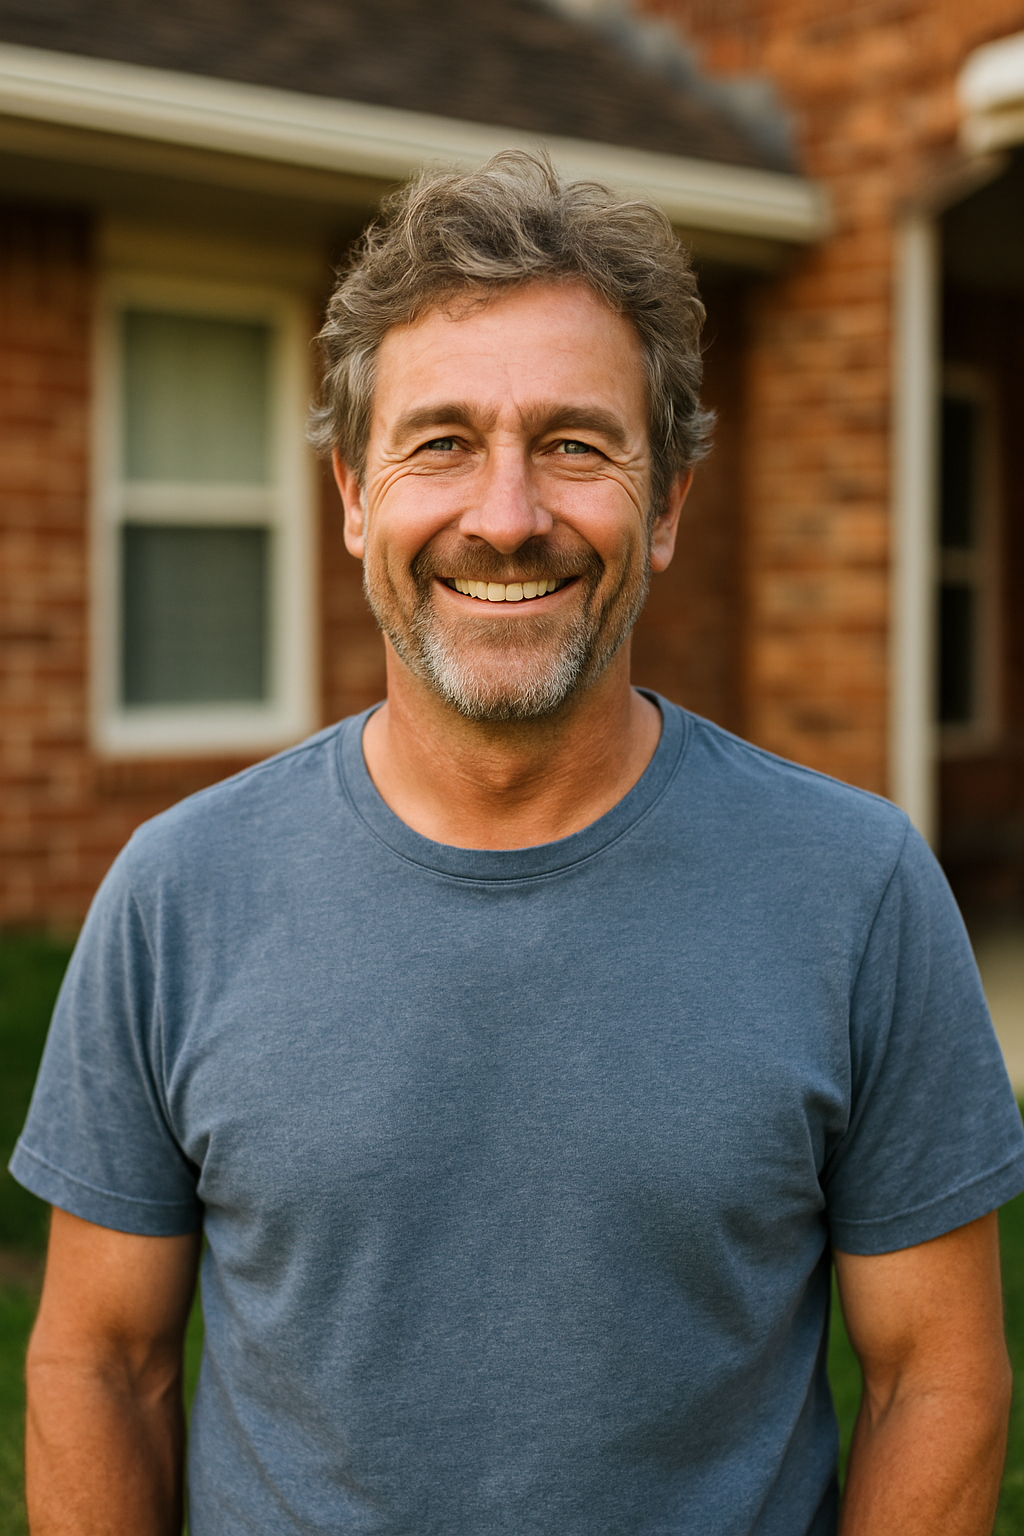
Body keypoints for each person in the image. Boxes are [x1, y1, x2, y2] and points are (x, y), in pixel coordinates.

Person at [12, 151, 1024, 1536]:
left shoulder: (857, 890)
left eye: (574, 445)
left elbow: (937, 1379)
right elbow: (100, 1363)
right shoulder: (177, 895)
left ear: (666, 507)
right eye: (440, 442)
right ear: (353, 495)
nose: (505, 518)